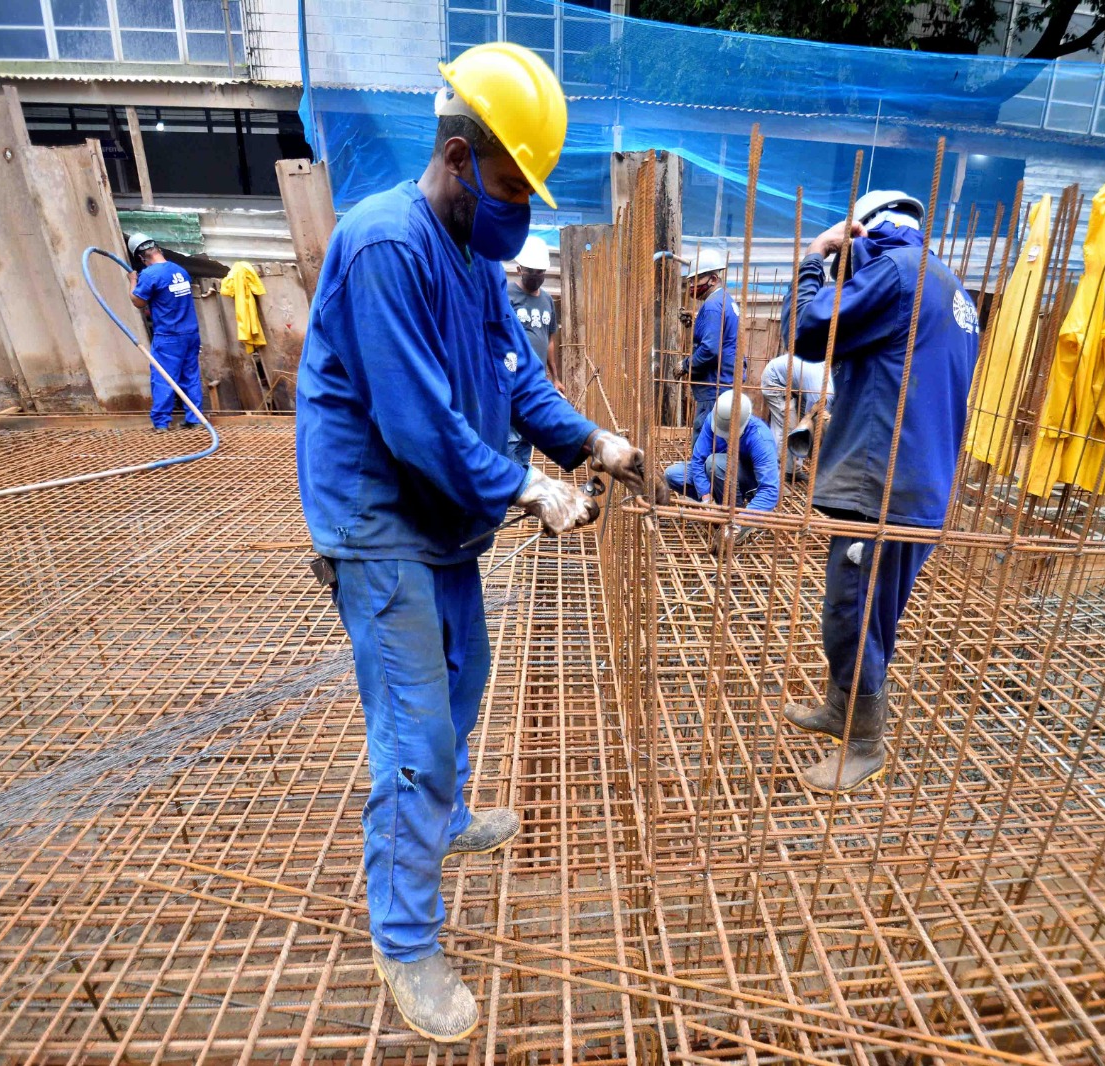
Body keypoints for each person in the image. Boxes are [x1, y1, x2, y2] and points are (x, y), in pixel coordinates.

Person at [293, 43, 654, 1044]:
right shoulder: (384, 247)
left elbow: (515, 379)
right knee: (415, 737)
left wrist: (590, 443)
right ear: (457, 157)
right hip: (378, 517)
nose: (518, 209)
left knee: (465, 673)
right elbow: (416, 423)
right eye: (510, 185)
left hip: (443, 514)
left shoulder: (475, 261)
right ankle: (405, 940)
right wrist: (530, 488)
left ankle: (443, 825)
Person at [779, 190, 980, 794]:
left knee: (854, 610)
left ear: (862, 234)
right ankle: (842, 710)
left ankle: (865, 743)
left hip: (885, 482)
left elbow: (806, 331)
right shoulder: (949, 286)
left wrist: (814, 257)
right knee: (867, 608)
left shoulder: (893, 269)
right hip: (916, 481)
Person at [128, 233, 205, 431]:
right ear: (159, 249)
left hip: (169, 336)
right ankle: (195, 418)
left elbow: (138, 301)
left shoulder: (150, 275)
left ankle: (161, 423)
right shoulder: (179, 270)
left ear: (141, 258)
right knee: (190, 375)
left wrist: (132, 281)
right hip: (191, 333)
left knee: (163, 377)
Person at [664, 389, 779, 515]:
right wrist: (706, 497)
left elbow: (770, 490)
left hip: (747, 482)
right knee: (673, 475)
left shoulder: (761, 438)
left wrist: (742, 520)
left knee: (714, 463)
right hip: (719, 476)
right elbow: (698, 460)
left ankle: (734, 511)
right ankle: (719, 505)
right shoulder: (713, 420)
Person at [505, 234, 559, 467]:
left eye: (540, 272)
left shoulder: (547, 300)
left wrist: (555, 377)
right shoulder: (507, 296)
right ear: (519, 269)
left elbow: (549, 340)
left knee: (528, 433)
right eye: (531, 271)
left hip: (537, 380)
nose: (536, 276)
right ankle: (511, 479)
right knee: (510, 437)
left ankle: (522, 473)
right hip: (513, 378)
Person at [675, 246, 739, 437]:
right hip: (723, 384)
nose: (691, 285)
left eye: (696, 280)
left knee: (705, 443)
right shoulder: (724, 300)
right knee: (717, 440)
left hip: (714, 388)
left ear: (713, 279)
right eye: (690, 280)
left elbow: (710, 349)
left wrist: (685, 365)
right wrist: (698, 322)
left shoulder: (712, 306)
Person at [759, 352, 834, 480]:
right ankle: (776, 474)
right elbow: (815, 424)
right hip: (775, 379)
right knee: (788, 426)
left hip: (801, 384)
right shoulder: (824, 393)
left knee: (801, 424)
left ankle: (792, 470)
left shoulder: (836, 386)